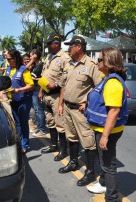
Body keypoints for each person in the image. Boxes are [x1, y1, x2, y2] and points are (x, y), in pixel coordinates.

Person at [58, 35, 103, 186]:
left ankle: (90, 172)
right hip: (67, 107)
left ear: (78, 46)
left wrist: (88, 102)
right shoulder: (69, 64)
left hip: (81, 110)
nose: (68, 48)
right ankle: (73, 162)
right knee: (71, 137)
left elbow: (100, 88)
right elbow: (64, 85)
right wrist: (60, 103)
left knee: (88, 142)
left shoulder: (91, 65)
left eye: (70, 45)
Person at [85, 47, 128, 202]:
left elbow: (114, 111)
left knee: (108, 165)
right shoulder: (107, 78)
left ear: (109, 62)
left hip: (108, 130)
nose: (97, 62)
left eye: (99, 59)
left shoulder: (113, 82)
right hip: (102, 128)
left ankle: (111, 197)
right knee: (105, 163)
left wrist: (104, 136)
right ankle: (103, 184)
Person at [38, 34, 70, 161]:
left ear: (56, 43)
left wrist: (55, 84)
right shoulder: (49, 57)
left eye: (49, 43)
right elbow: (45, 75)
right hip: (46, 94)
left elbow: (66, 78)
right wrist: (41, 91)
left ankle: (63, 150)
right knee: (50, 121)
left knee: (60, 124)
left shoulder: (64, 58)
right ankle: (53, 145)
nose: (48, 46)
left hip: (57, 95)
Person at [4, 49, 34, 154]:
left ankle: (24, 145)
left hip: (23, 101)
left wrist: (19, 90)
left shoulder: (23, 70)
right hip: (13, 101)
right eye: (6, 59)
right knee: (17, 123)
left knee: (23, 122)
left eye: (9, 59)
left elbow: (31, 85)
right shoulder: (7, 69)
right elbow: (5, 83)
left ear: (15, 58)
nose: (7, 61)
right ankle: (19, 142)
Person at [27, 49, 47, 137]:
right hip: (32, 90)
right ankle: (38, 127)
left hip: (38, 90)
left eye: (31, 55)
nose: (30, 57)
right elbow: (25, 69)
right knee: (36, 110)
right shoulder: (34, 65)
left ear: (35, 55)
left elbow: (45, 78)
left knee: (39, 110)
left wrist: (36, 80)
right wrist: (31, 61)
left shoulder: (42, 65)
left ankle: (42, 128)